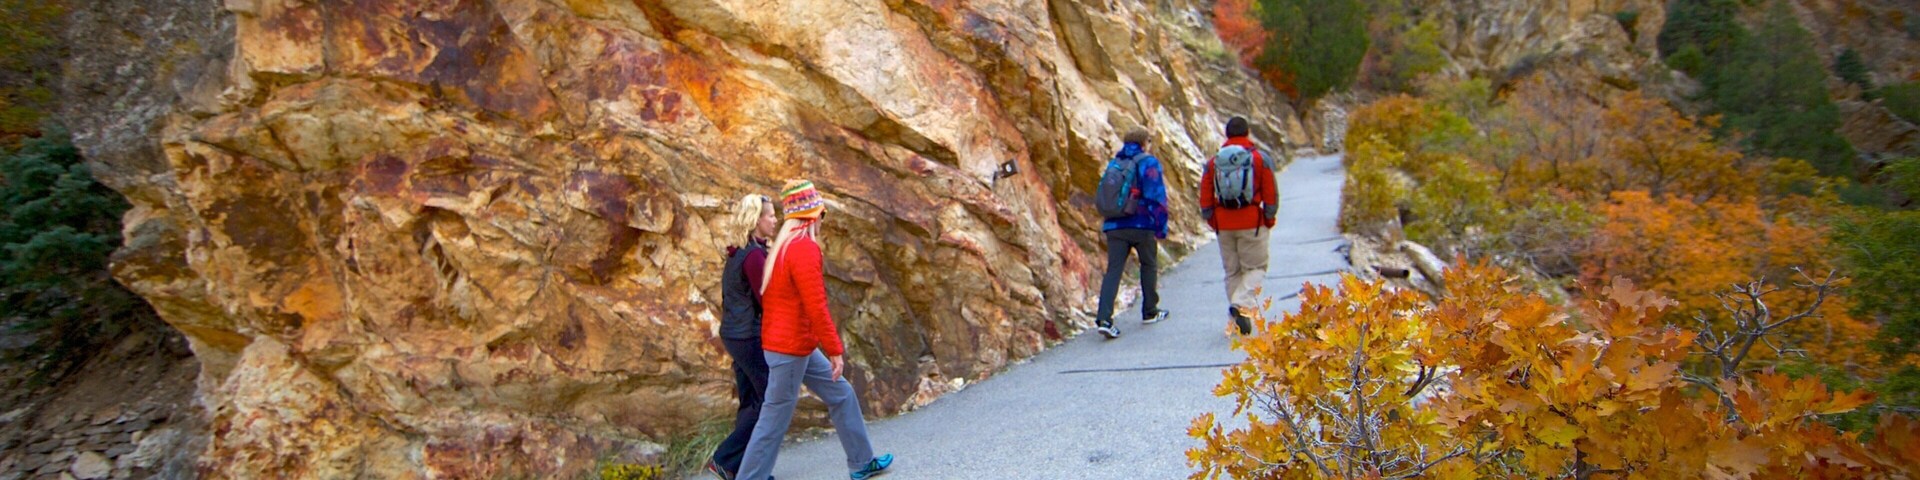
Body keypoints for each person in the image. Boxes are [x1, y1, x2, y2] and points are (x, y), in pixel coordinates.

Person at [737, 180, 894, 480]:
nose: (823, 219)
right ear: (811, 216)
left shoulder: (782, 248)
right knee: (773, 419)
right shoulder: (804, 249)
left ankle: (862, 462)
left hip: (795, 346)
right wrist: (835, 350)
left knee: (842, 394)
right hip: (789, 350)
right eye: (822, 213)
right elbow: (817, 307)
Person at [707, 194, 779, 480]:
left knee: (751, 401)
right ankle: (726, 459)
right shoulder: (753, 256)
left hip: (735, 334)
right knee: (769, 399)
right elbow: (768, 299)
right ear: (756, 219)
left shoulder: (741, 250)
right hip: (748, 335)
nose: (775, 220)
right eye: (770, 215)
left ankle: (737, 467)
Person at [1200, 116, 1277, 335]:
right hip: (1252, 221)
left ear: (1226, 134)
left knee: (1232, 271)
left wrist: (1213, 220)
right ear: (1247, 132)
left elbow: (1205, 195)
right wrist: (1268, 218)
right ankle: (1241, 305)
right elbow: (1271, 193)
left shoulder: (1214, 162)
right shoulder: (1259, 158)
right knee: (1256, 268)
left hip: (1223, 223)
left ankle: (1236, 322)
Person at [1093, 129, 1171, 339]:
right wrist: (1160, 227)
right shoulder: (1148, 162)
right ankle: (1150, 311)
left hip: (1114, 225)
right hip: (1141, 223)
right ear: (1144, 142)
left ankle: (1104, 319)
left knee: (1114, 270)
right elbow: (1156, 196)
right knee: (1149, 264)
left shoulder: (1115, 163)